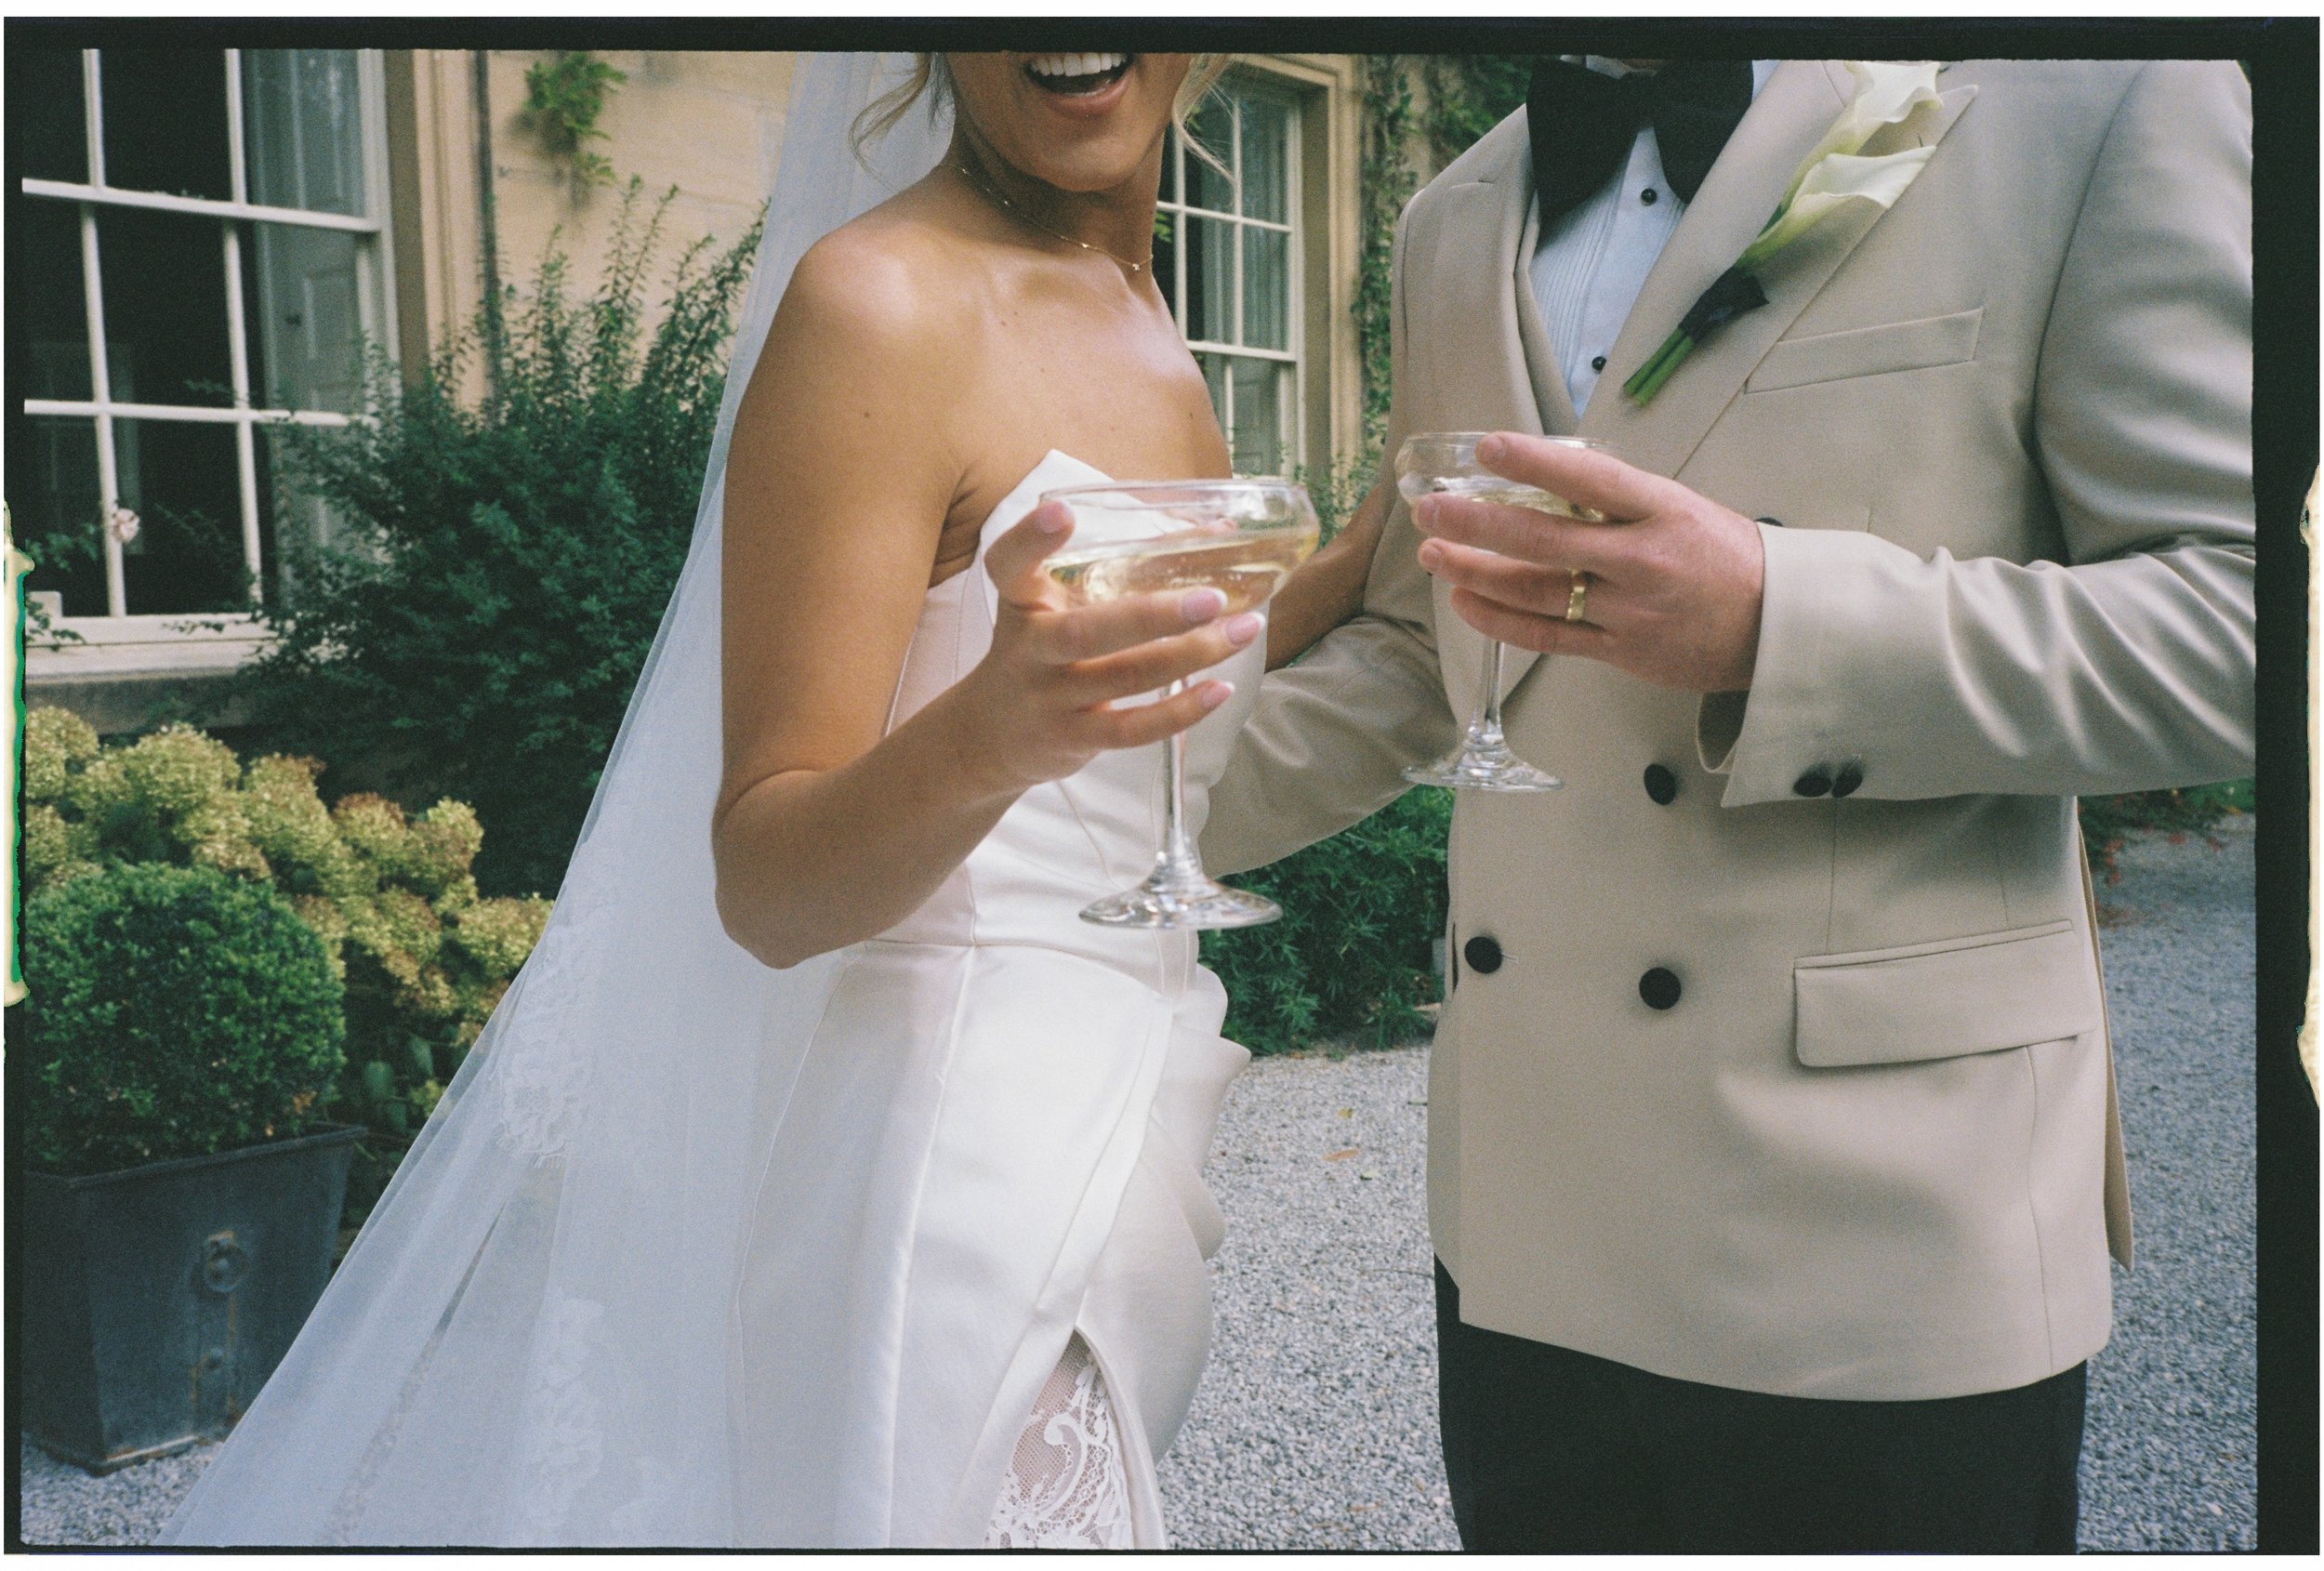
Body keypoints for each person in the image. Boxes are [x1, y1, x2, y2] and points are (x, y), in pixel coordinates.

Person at [161, 51, 1379, 1549]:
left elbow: (1147, 697)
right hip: (953, 1183)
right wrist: (998, 726)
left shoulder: (1141, 313)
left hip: (1135, 1107)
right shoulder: (882, 306)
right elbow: (766, 880)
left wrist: (1368, 566)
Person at [1205, 53, 2254, 1551]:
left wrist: (1782, 619)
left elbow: (2249, 623)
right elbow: (1420, 646)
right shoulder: (1451, 211)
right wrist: (1085, 812)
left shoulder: (2100, 88)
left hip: (1882, 1261)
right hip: (1526, 1245)